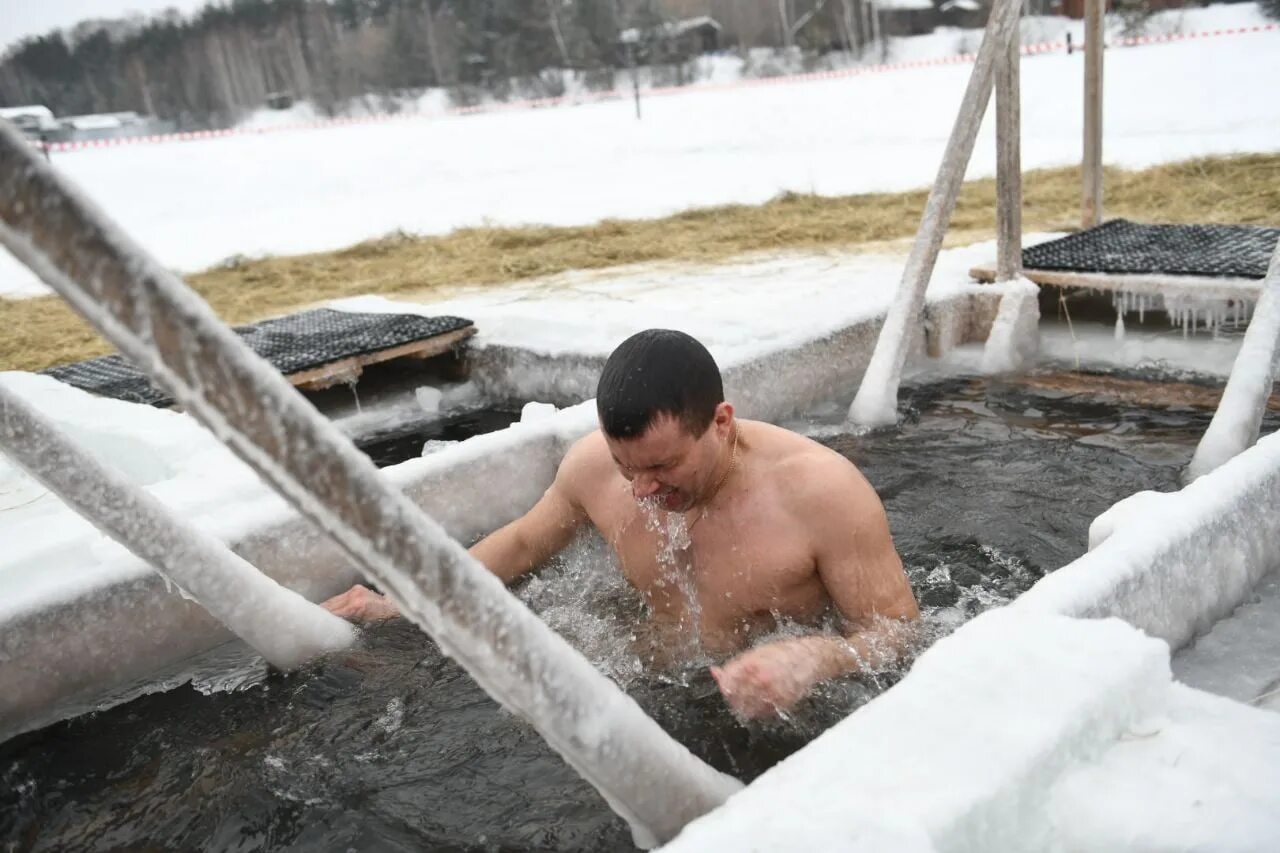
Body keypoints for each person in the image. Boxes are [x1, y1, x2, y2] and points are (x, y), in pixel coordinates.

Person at [324, 329, 919, 719]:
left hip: (775, 715)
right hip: (648, 690)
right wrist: (403, 601)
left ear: (720, 422)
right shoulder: (595, 469)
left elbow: (897, 632)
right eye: (623, 465)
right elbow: (524, 543)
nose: (642, 490)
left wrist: (814, 658)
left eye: (662, 465)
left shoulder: (822, 494)